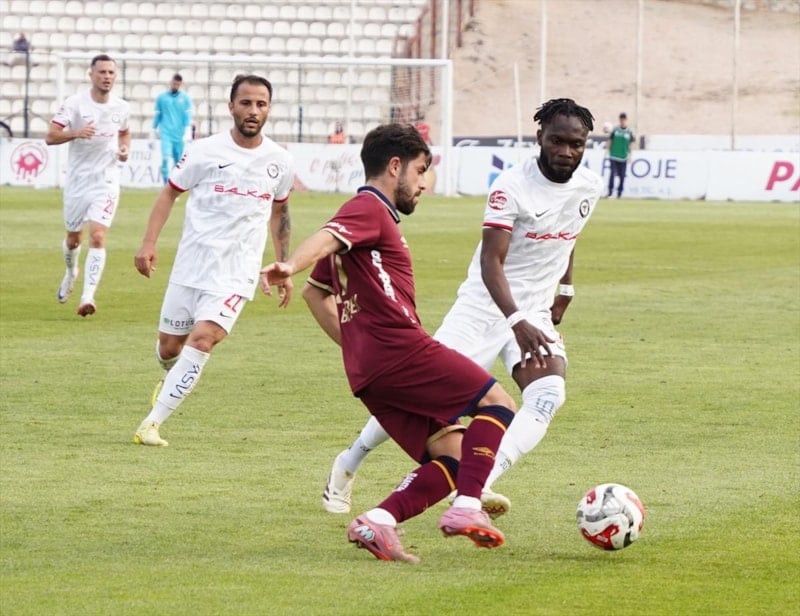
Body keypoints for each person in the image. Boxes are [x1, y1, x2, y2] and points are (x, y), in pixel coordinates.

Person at [321, 98, 604, 520]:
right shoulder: (511, 186)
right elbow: (491, 262)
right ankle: (350, 459)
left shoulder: (590, 185)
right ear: (539, 137)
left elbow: (569, 231)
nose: (566, 152)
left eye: (576, 144)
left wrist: (565, 285)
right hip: (484, 309)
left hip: (534, 311)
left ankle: (481, 481)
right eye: (557, 141)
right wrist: (516, 320)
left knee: (548, 395)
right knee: (420, 399)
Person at [260, 123, 518, 563]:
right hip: (401, 351)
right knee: (499, 404)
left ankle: (378, 520)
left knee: (453, 455)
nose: (423, 183)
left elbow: (315, 295)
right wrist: (289, 264)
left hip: (370, 372)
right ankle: (467, 506)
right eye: (420, 170)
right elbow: (323, 241)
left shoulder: (362, 224)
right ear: (395, 166)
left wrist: (357, 347)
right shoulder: (369, 208)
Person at [132, 74, 294, 447]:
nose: (253, 111)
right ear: (231, 106)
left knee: (204, 340)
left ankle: (151, 424)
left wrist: (283, 265)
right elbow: (169, 193)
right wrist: (149, 243)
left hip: (236, 273)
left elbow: (281, 213)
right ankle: (170, 377)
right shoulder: (204, 151)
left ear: (269, 109)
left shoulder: (280, 161)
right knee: (170, 348)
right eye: (246, 103)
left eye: (261, 104)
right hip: (191, 266)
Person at [45, 54, 130, 317]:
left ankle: (87, 296)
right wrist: (76, 133)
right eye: (102, 72)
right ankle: (71, 271)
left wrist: (124, 149)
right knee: (74, 239)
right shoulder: (75, 104)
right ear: (91, 75)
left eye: (111, 72)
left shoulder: (122, 107)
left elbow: (124, 132)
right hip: (78, 182)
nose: (107, 77)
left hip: (106, 181)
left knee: (98, 236)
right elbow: (50, 136)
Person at [152, 73, 193, 184]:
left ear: (180, 84)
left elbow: (187, 116)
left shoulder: (185, 99)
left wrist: (188, 131)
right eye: (174, 83)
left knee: (178, 161)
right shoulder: (162, 98)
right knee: (165, 158)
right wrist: (153, 131)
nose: (175, 86)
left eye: (178, 84)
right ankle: (165, 184)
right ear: (171, 82)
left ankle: (174, 184)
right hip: (166, 133)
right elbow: (158, 115)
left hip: (179, 135)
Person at [606, 112, 635, 198]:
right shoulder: (615, 130)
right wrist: (607, 150)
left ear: (626, 120)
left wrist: (630, 155)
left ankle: (619, 193)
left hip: (623, 157)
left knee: (622, 176)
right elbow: (610, 140)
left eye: (624, 120)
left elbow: (631, 144)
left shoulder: (629, 132)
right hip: (613, 155)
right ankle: (610, 192)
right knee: (612, 174)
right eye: (621, 120)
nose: (622, 121)